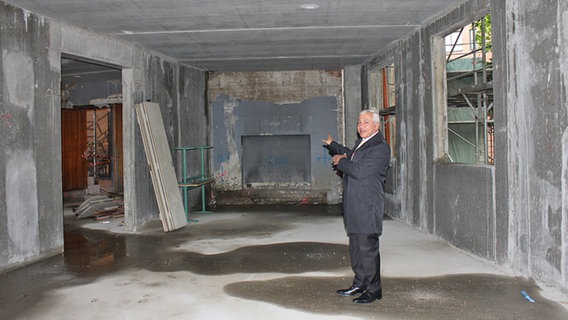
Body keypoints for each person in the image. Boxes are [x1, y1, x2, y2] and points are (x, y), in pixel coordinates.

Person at [323, 109, 390, 304]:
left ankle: (373, 289)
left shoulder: (380, 148)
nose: (361, 126)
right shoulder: (363, 143)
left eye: (366, 122)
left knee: (367, 249)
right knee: (356, 249)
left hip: (367, 207)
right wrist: (333, 146)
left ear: (376, 126)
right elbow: (351, 154)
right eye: (360, 122)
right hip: (354, 206)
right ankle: (359, 282)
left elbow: (359, 170)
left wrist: (341, 162)